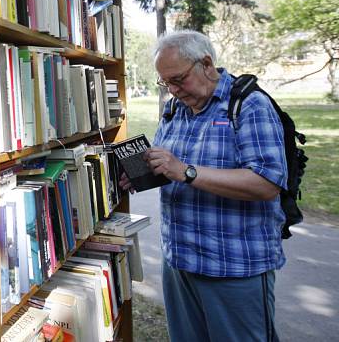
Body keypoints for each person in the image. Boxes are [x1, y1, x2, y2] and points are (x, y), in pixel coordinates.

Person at [121, 30, 287, 342]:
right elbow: (168, 168)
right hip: (181, 264)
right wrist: (143, 173)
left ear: (207, 64)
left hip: (235, 268)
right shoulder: (175, 109)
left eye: (178, 79)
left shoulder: (249, 105)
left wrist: (186, 171)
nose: (173, 89)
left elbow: (267, 182)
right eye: (165, 83)